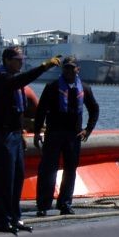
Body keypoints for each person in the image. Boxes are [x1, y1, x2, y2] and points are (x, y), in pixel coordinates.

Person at [0, 47, 61, 233]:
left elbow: (17, 112)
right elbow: (22, 79)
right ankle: (2, 220)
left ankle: (15, 217)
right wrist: (43, 67)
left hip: (14, 134)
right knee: (4, 179)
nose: (21, 62)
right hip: (2, 135)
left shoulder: (13, 81)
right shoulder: (3, 79)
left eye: (22, 59)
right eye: (17, 59)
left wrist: (21, 133)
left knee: (17, 177)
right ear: (6, 60)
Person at [34, 57, 100, 216]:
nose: (69, 71)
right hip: (54, 134)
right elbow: (41, 110)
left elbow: (94, 109)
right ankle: (43, 204)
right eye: (66, 68)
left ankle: (64, 203)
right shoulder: (52, 87)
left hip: (73, 135)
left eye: (72, 68)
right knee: (48, 170)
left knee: (70, 170)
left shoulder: (84, 88)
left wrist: (88, 130)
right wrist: (37, 132)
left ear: (78, 69)